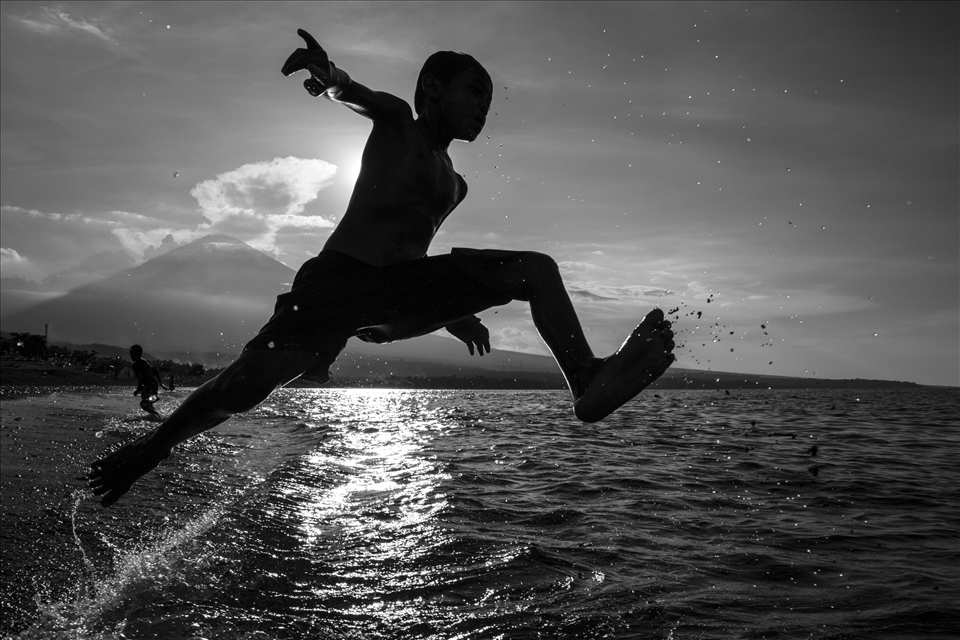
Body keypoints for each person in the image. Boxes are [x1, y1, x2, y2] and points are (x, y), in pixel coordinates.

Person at [88, 29, 675, 507]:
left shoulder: (456, 184)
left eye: (490, 102)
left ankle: (588, 381)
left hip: (393, 296)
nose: (483, 109)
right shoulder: (399, 122)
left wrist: (455, 311)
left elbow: (411, 256)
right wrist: (329, 76)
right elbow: (355, 96)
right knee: (245, 386)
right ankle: (154, 448)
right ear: (433, 87)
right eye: (474, 92)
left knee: (535, 269)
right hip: (337, 283)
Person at [129, 344, 168, 417]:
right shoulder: (144, 362)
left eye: (131, 354)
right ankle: (156, 415)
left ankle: (158, 416)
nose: (131, 356)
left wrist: (138, 389)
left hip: (149, 385)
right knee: (148, 403)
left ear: (135, 354)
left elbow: (141, 379)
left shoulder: (136, 365)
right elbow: (155, 371)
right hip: (154, 384)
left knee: (144, 404)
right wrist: (160, 383)